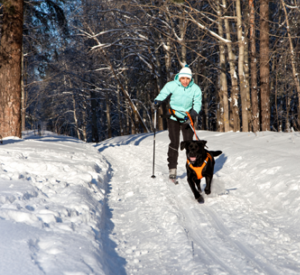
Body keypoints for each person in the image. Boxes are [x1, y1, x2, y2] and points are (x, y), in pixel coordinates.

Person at [152, 65, 202, 180]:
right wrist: (157, 102)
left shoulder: (195, 88)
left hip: (187, 118)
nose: (185, 81)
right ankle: (172, 169)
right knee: (174, 143)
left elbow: (198, 102)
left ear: (191, 79)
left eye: (188, 79)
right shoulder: (172, 85)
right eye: (183, 78)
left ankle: (192, 167)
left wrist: (194, 113)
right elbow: (163, 94)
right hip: (173, 117)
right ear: (179, 77)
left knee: (189, 144)